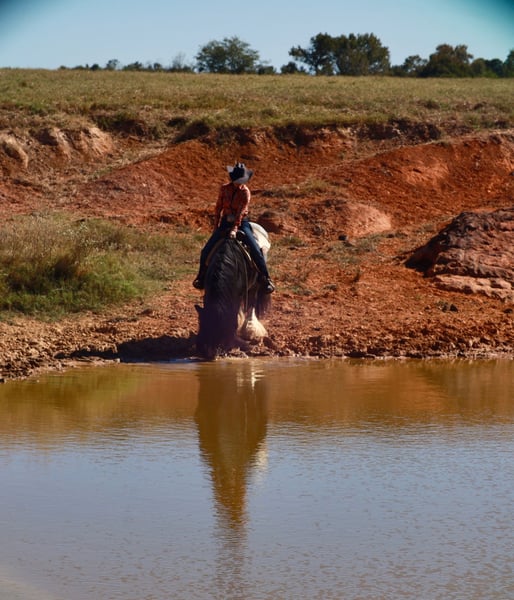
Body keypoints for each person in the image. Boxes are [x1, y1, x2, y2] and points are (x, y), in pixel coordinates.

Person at [193, 162, 275, 293]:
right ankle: (201, 276)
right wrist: (216, 226)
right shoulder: (224, 189)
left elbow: (241, 211)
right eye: (237, 180)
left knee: (255, 249)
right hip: (225, 222)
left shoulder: (245, 192)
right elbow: (218, 207)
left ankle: (266, 278)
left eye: (241, 180)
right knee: (206, 250)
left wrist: (235, 229)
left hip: (242, 223)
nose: (239, 183)